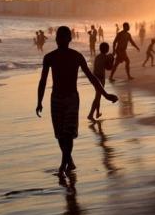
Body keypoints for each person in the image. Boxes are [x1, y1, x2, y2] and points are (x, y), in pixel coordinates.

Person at [36, 27, 118, 174]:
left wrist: (105, 95)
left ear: (68, 39)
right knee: (60, 134)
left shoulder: (76, 56)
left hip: (72, 98)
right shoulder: (50, 57)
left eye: (63, 37)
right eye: (59, 37)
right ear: (56, 39)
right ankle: (69, 160)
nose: (60, 40)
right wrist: (39, 101)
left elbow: (92, 78)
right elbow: (42, 81)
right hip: (56, 98)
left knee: (68, 133)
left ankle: (64, 163)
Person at [88, 42, 111, 121]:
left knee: (98, 96)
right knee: (98, 96)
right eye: (108, 48)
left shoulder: (97, 56)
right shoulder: (105, 57)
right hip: (100, 79)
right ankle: (90, 115)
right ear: (106, 49)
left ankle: (97, 113)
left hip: (94, 78)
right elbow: (109, 68)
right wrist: (112, 60)